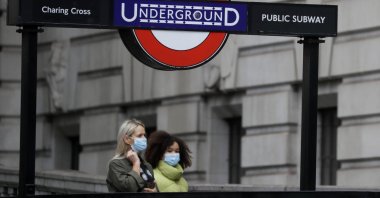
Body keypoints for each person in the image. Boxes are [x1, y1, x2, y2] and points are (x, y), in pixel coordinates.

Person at [106, 119, 157, 192]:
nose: (144, 139)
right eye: (140, 136)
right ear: (127, 139)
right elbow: (129, 188)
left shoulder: (147, 165)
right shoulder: (115, 164)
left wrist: (155, 192)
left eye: (144, 135)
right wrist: (136, 163)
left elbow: (152, 188)